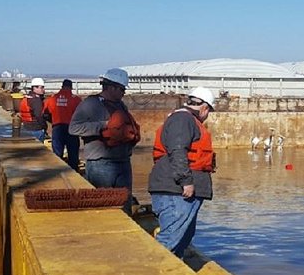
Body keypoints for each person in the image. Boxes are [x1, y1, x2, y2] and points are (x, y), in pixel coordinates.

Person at [149, 87, 216, 257]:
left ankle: (171, 273)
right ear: (204, 108)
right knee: (170, 239)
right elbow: (178, 150)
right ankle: (154, 274)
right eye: (208, 111)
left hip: (178, 190)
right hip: (176, 191)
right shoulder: (182, 120)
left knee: (182, 238)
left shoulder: (184, 120)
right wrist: (185, 181)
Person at [69, 68, 140, 211]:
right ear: (111, 87)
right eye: (121, 89)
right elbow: (73, 128)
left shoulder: (121, 105)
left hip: (123, 161)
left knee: (124, 205)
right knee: (102, 207)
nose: (123, 92)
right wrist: (103, 126)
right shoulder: (91, 104)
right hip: (100, 163)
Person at [43, 79, 82, 169]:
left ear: (62, 86)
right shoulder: (76, 100)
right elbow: (82, 115)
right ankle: (74, 176)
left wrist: (53, 121)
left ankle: (57, 175)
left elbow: (45, 114)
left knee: (57, 155)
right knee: (73, 156)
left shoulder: (52, 99)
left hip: (57, 128)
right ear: (71, 87)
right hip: (72, 130)